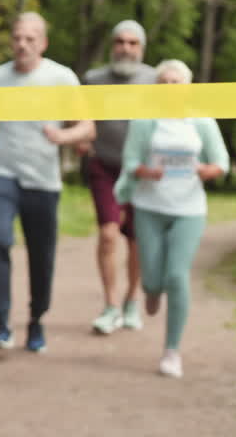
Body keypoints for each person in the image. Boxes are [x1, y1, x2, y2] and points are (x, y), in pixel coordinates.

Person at [0, 13, 95, 353]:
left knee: (41, 257)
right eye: (16, 38)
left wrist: (63, 136)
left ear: (43, 43)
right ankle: (1, 322)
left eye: (29, 38)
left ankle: (37, 320)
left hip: (43, 179)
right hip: (4, 173)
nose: (22, 44)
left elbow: (87, 126)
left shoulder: (61, 78)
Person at [114, 59, 228, 378]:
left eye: (176, 82)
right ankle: (150, 291)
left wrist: (207, 170)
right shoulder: (144, 122)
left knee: (177, 276)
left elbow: (221, 162)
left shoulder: (201, 121)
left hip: (189, 210)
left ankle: (171, 351)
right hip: (149, 206)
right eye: (163, 82)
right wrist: (148, 171)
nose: (169, 87)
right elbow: (131, 161)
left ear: (187, 86)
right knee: (152, 279)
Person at [81, 20, 157, 334]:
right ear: (112, 45)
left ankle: (131, 301)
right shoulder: (94, 79)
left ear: (141, 48)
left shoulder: (155, 80)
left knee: (137, 240)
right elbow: (80, 116)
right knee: (109, 234)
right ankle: (110, 304)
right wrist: (81, 139)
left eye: (132, 43)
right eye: (120, 42)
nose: (125, 48)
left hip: (141, 169)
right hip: (105, 165)